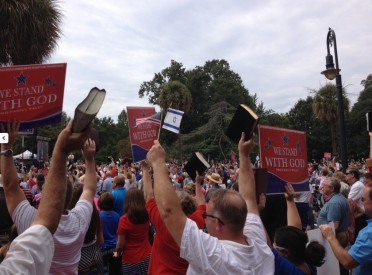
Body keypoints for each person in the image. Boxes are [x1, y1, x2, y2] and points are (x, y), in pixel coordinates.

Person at [146, 133, 274, 274]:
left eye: (207, 215)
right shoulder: (257, 238)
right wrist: (243, 155)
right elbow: (249, 198)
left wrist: (158, 162)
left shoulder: (214, 256)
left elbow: (169, 211)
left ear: (218, 223)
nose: (203, 217)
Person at [0, 120, 90, 274]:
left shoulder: (30, 220)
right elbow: (89, 189)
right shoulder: (80, 220)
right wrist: (89, 158)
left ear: (45, 193)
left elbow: (10, 187)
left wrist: (5, 144)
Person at [142, 160, 206, 274]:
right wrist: (197, 183)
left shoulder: (163, 222)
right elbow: (201, 204)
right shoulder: (197, 221)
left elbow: (148, 195)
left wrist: (145, 169)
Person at [272, 184, 325, 275]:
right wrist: (290, 200)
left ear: (286, 252)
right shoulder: (307, 263)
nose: (273, 248)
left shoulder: (288, 270)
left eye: (275, 248)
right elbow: (294, 230)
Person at [320, 186, 372, 274]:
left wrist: (330, 237)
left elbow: (347, 261)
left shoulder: (369, 234)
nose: (362, 203)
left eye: (363, 200)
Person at [114, 188, 151, 274]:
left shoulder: (124, 219)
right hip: (147, 254)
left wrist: (116, 255)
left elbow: (120, 245)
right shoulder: (147, 214)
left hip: (130, 259)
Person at [98, 192, 120, 274]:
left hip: (103, 248)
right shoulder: (117, 215)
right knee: (114, 268)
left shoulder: (99, 215)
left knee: (104, 269)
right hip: (115, 246)